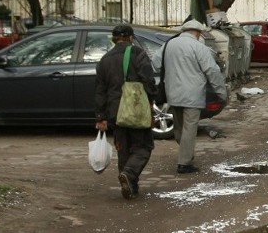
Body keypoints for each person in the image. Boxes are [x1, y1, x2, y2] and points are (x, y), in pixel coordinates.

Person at [95, 23, 157, 199]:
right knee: (143, 146)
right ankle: (129, 174)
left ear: (114, 39)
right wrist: (152, 100)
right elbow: (148, 80)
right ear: (131, 37)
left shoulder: (105, 59)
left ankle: (131, 188)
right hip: (135, 108)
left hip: (115, 111)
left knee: (123, 148)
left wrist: (101, 116)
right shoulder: (138, 53)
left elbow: (100, 90)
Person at [162, 18, 227, 174]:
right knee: (190, 129)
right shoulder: (199, 47)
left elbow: (156, 62)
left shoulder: (169, 45)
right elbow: (212, 71)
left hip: (173, 93)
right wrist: (221, 93)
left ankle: (185, 151)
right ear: (197, 33)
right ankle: (184, 163)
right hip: (192, 94)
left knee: (179, 128)